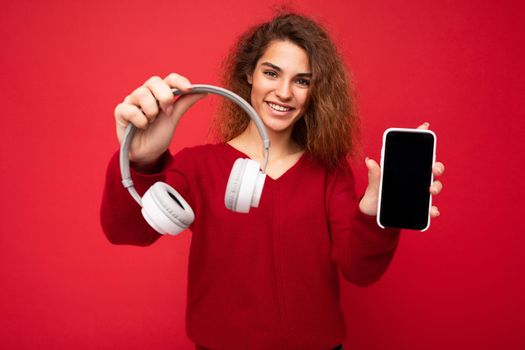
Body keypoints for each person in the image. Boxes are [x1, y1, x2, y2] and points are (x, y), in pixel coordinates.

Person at [101, 12, 445, 350]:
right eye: (271, 73)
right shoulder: (198, 166)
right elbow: (126, 231)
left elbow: (359, 270)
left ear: (314, 91)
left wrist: (374, 214)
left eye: (302, 80)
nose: (284, 92)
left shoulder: (329, 171)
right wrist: (141, 159)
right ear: (249, 74)